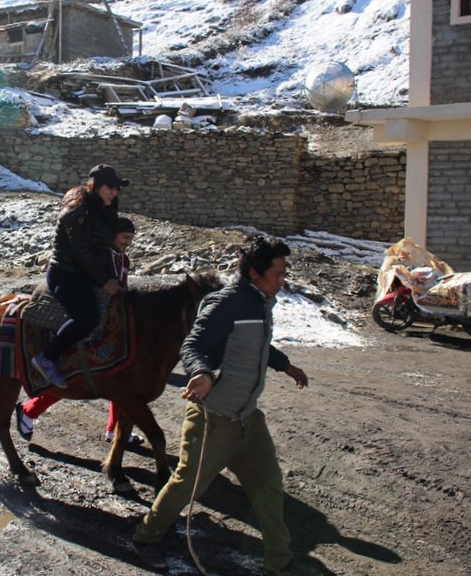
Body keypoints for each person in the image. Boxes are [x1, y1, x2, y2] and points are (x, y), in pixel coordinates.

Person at [131, 234, 310, 575]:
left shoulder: (261, 302)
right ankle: (146, 536)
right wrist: (202, 374)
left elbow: (258, 346)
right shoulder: (225, 304)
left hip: (248, 420)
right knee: (187, 484)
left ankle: (279, 560)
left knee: (269, 485)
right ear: (255, 273)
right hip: (215, 420)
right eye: (279, 273)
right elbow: (194, 345)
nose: (283, 280)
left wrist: (285, 365)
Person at [15, 217, 144, 445]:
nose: (127, 243)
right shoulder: (99, 256)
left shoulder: (123, 260)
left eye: (131, 239)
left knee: (124, 374)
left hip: (113, 321)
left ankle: (115, 429)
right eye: (125, 237)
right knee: (73, 375)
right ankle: (29, 410)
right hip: (93, 318)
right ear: (113, 235)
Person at [30, 164, 129, 389]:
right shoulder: (79, 210)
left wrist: (114, 278)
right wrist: (104, 281)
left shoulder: (106, 209)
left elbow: (102, 250)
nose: (114, 193)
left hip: (86, 272)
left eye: (117, 189)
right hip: (66, 273)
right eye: (110, 188)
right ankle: (48, 356)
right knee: (88, 317)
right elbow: (80, 253)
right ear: (94, 186)